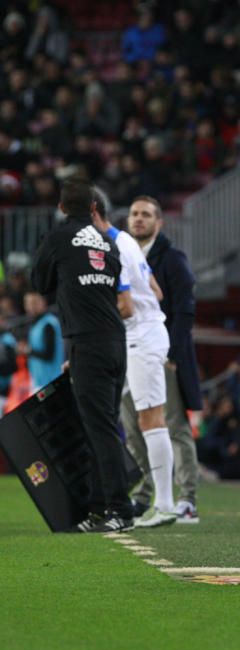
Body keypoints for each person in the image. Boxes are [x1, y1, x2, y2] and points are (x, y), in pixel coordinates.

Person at [30, 177, 132, 533]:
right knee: (100, 426)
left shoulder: (58, 238)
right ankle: (100, 508)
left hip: (88, 342)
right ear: (93, 209)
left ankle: (120, 510)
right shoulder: (108, 243)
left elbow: (39, 283)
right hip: (115, 342)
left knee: (99, 429)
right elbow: (111, 286)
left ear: (61, 208)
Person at [92, 190, 177, 529]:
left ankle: (167, 504)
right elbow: (155, 291)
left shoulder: (114, 247)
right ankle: (140, 498)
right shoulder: (127, 242)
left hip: (140, 338)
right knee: (124, 418)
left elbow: (126, 306)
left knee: (151, 419)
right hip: (138, 337)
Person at [124, 195, 202, 524]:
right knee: (132, 428)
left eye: (146, 214)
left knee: (172, 426)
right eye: (134, 213)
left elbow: (185, 310)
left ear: (160, 223)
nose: (138, 219)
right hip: (130, 351)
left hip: (161, 354)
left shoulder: (172, 258)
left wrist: (170, 352)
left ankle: (186, 500)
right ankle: (145, 493)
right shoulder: (125, 253)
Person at [22, 291, 63, 390]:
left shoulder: (49, 323)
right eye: (28, 304)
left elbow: (48, 354)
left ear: (43, 302)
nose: (31, 307)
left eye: (34, 303)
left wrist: (28, 350)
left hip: (51, 382)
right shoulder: (35, 325)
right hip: (38, 382)